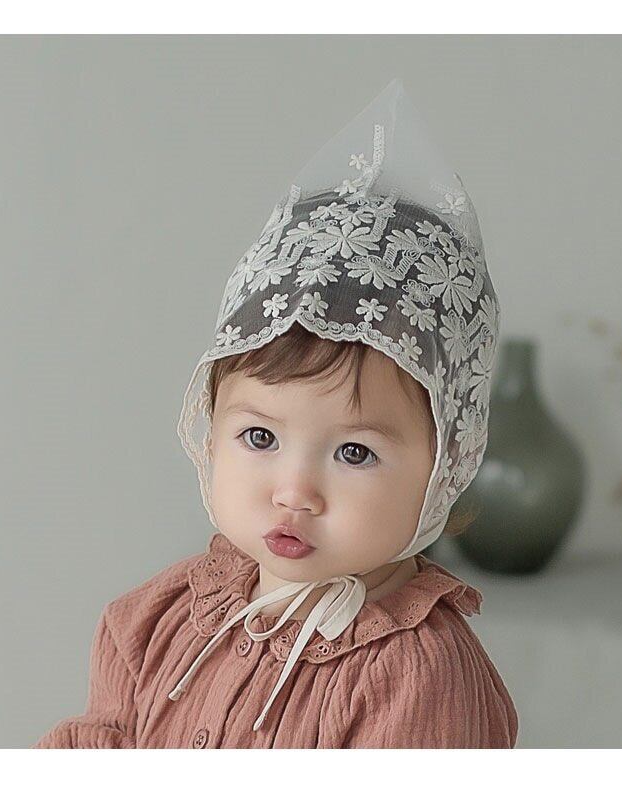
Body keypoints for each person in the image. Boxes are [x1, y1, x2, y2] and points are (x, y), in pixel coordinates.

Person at [34, 78, 518, 748]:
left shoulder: (416, 679)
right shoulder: (159, 618)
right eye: (259, 436)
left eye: (354, 452)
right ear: (211, 428)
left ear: (444, 467)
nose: (293, 492)